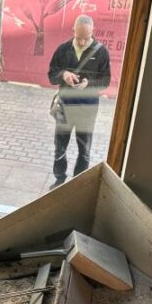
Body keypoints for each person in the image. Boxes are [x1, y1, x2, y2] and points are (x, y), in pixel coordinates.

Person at [47, 14, 111, 189]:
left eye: (86, 38)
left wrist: (88, 83)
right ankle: (59, 179)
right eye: (78, 37)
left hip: (87, 109)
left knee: (84, 149)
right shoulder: (62, 49)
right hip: (64, 107)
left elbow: (105, 81)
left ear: (93, 32)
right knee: (60, 146)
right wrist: (64, 75)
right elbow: (51, 75)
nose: (82, 42)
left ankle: (78, 183)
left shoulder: (101, 52)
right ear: (72, 30)